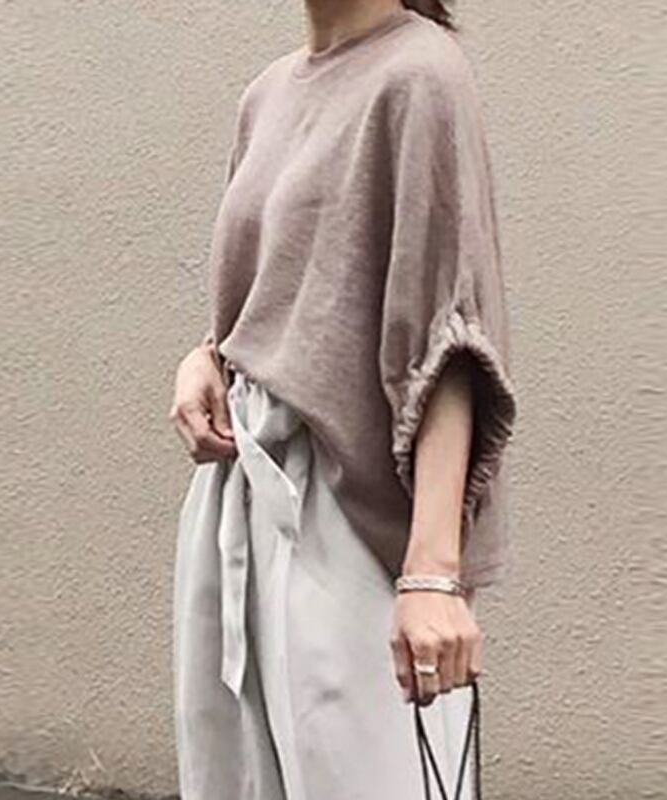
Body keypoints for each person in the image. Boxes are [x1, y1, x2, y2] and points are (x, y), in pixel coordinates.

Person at [168, 1, 517, 797]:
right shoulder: (266, 94)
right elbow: (286, 293)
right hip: (239, 499)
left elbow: (448, 337)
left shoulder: (420, 75)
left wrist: (433, 574)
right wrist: (207, 358)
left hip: (346, 513)